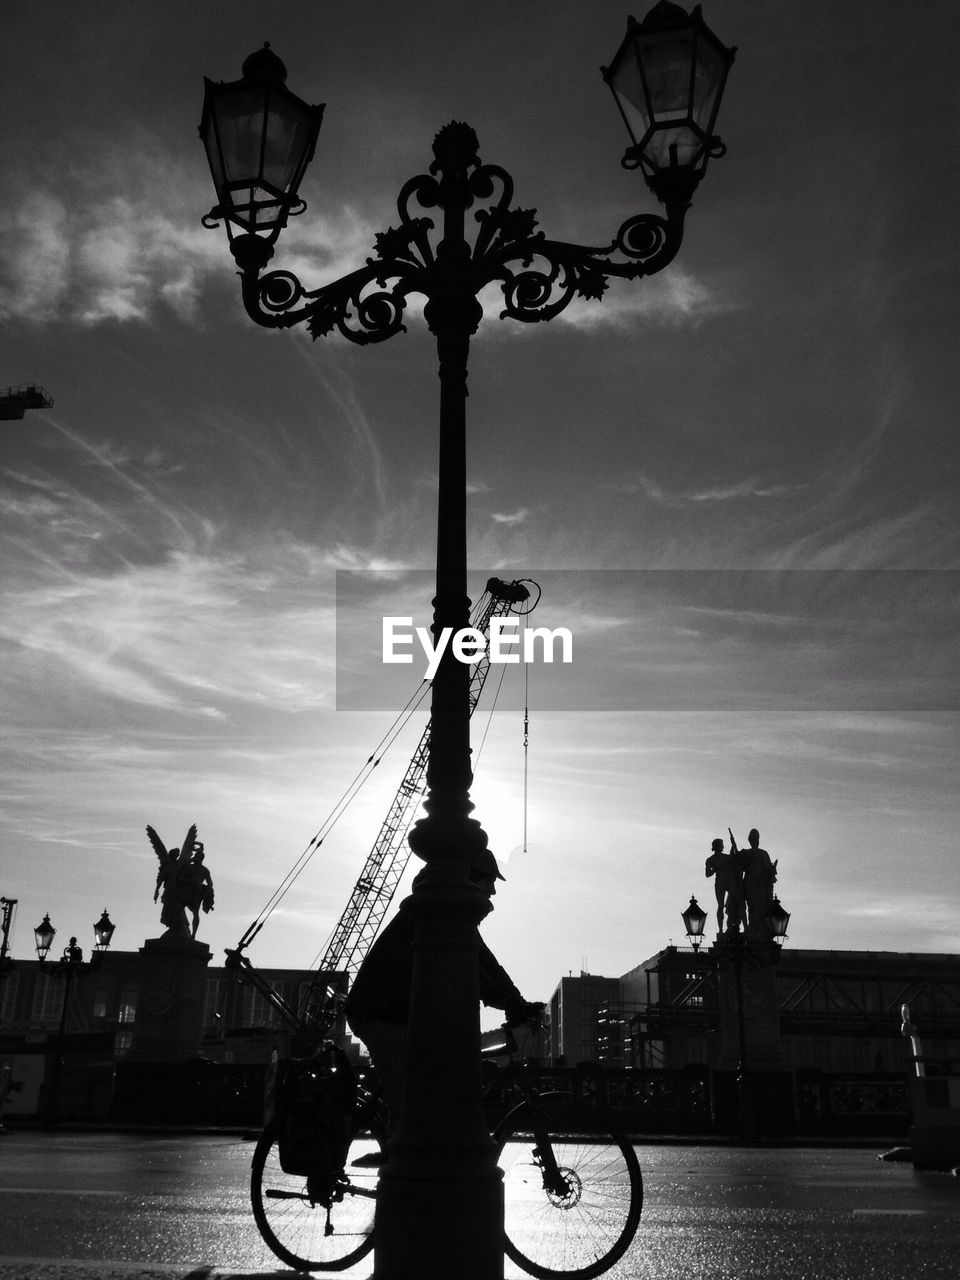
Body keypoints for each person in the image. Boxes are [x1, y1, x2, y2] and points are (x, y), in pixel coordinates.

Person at [344, 848, 538, 1130]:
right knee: (407, 1101)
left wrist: (515, 1001)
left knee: (425, 1085)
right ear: (472, 880)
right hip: (380, 1014)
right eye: (490, 882)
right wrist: (512, 1004)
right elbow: (474, 974)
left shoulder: (449, 913)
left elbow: (485, 962)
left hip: (397, 1013)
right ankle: (399, 1166)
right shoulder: (440, 914)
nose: (493, 892)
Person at [736, 828, 778, 937]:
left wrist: (772, 870)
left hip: (760, 884)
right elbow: (737, 863)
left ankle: (760, 927)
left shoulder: (762, 854)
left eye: (755, 839)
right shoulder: (746, 853)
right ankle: (753, 927)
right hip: (750, 884)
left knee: (761, 907)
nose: (753, 841)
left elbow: (769, 872)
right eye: (752, 839)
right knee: (752, 907)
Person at [704, 836, 744, 934]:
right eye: (722, 845)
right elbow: (707, 874)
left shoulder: (726, 857)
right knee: (720, 905)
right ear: (717, 846)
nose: (723, 847)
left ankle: (742, 924)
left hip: (729, 881)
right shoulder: (710, 860)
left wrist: (733, 845)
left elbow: (733, 856)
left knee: (739, 900)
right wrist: (715, 869)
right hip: (720, 883)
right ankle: (721, 929)